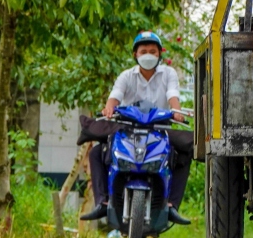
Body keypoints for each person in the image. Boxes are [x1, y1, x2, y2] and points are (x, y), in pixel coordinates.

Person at [80, 31, 191, 224]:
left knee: (183, 154)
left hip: (159, 128)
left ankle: (172, 205)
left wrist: (176, 111)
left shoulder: (169, 73)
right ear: (135, 54)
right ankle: (103, 202)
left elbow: (173, 94)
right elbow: (115, 95)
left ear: (160, 54)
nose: (148, 55)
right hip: (127, 129)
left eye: (153, 51)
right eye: (144, 51)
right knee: (97, 153)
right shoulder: (126, 76)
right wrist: (109, 107)